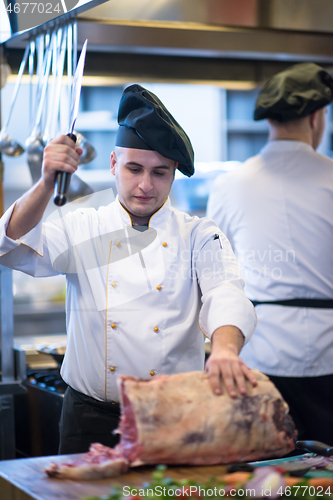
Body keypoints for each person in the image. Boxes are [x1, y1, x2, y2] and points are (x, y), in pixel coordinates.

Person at [0, 84, 257, 454]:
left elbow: (226, 293)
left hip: (173, 414)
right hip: (87, 417)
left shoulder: (199, 234)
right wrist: (45, 184)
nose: (145, 186)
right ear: (113, 163)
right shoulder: (82, 226)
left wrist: (226, 351)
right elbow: (8, 245)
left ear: (173, 174)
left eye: (160, 173)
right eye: (134, 168)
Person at [207, 63, 333, 445]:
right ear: (316, 117)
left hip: (257, 356)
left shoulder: (228, 185)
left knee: (267, 470)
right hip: (329, 355)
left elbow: (215, 273)